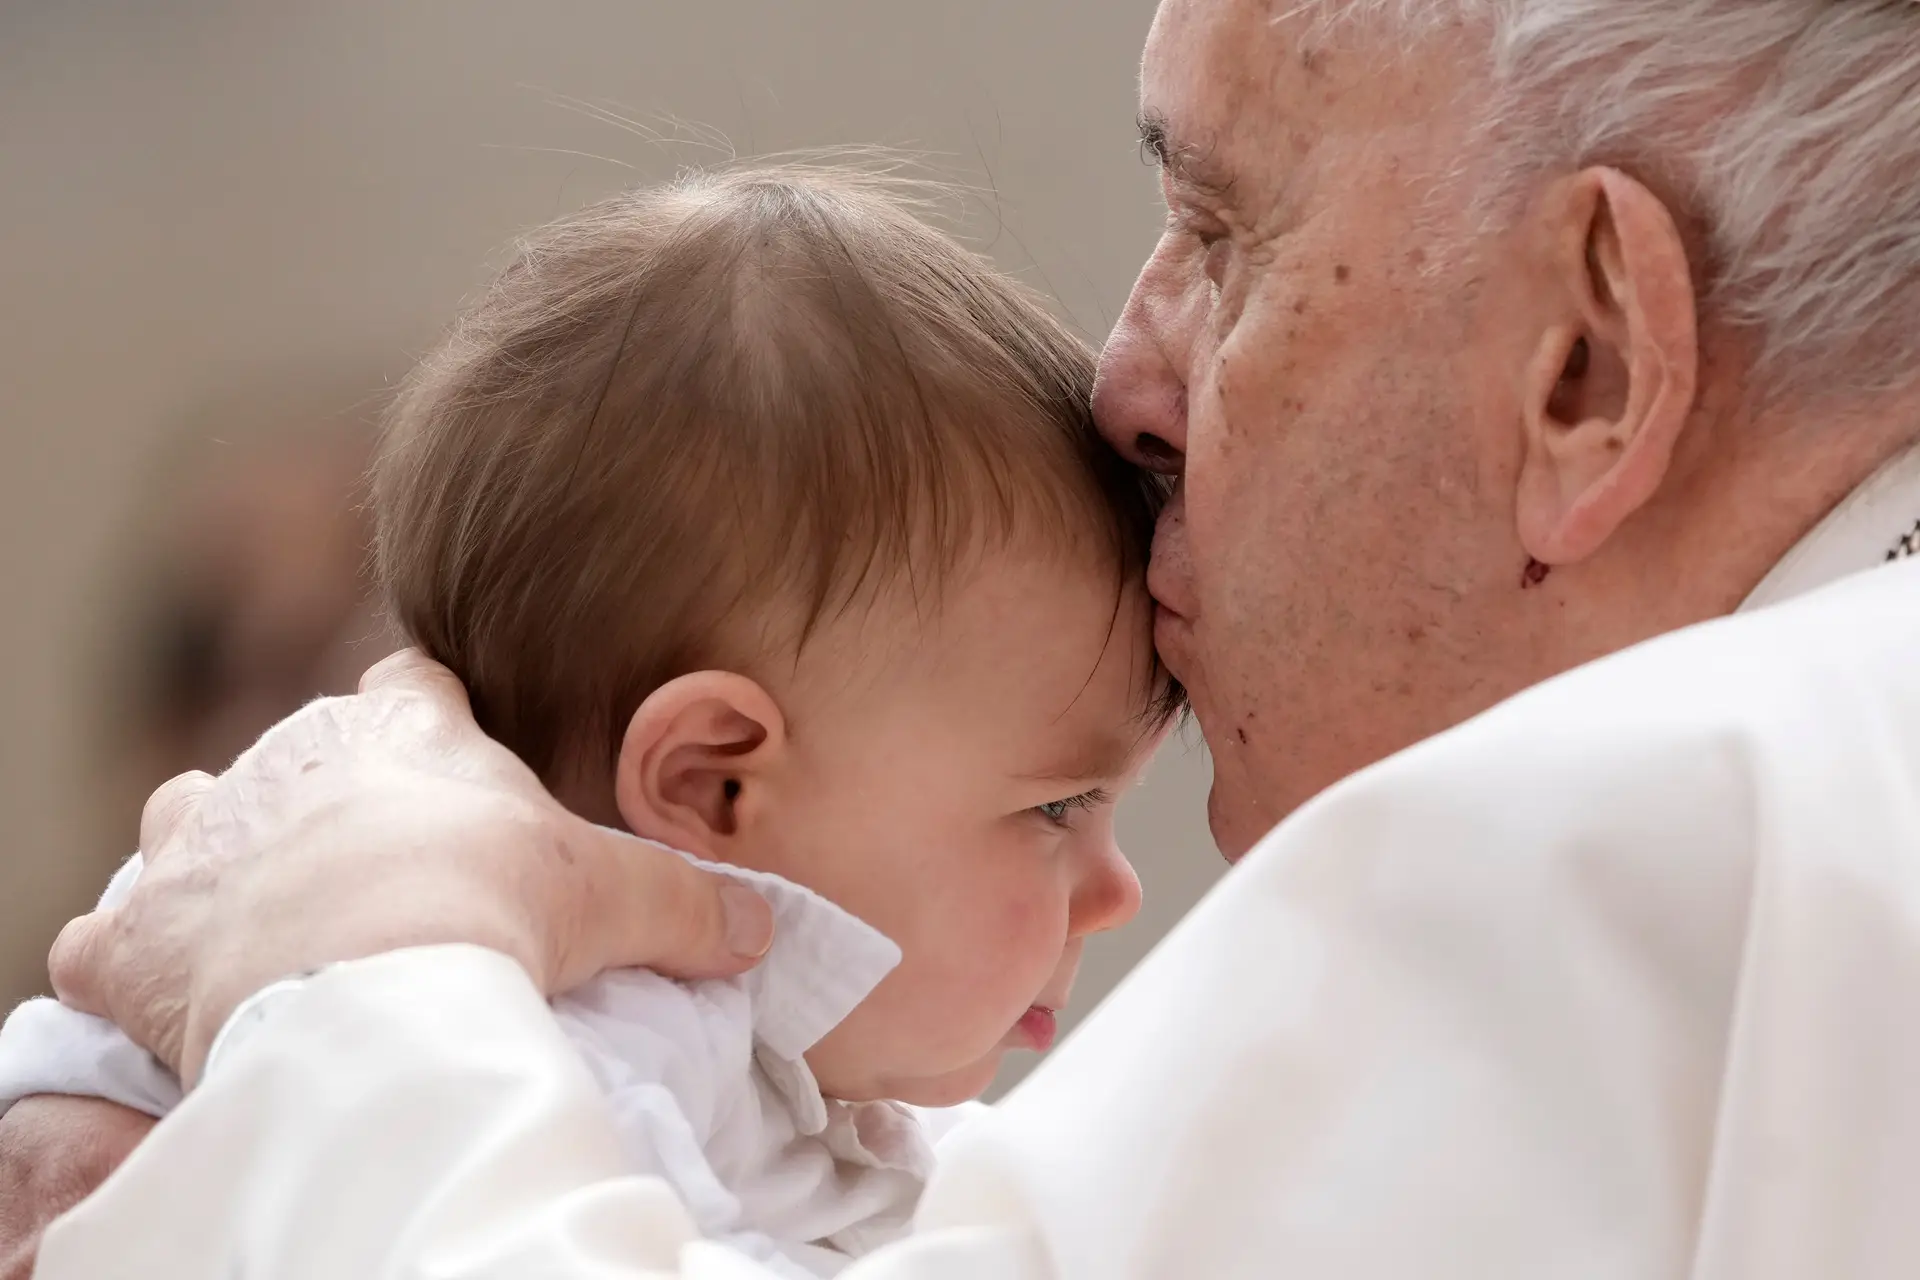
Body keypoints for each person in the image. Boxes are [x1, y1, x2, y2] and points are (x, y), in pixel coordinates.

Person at [10, 0, 1920, 1274]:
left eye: (1224, 233)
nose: (1126, 383)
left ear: (1587, 362)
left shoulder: (1616, 862)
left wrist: (360, 973)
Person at [0, 167, 1174, 1276]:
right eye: (1058, 804)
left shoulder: (811, 1094)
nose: (1118, 888)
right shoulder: (599, 1049)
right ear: (714, 783)